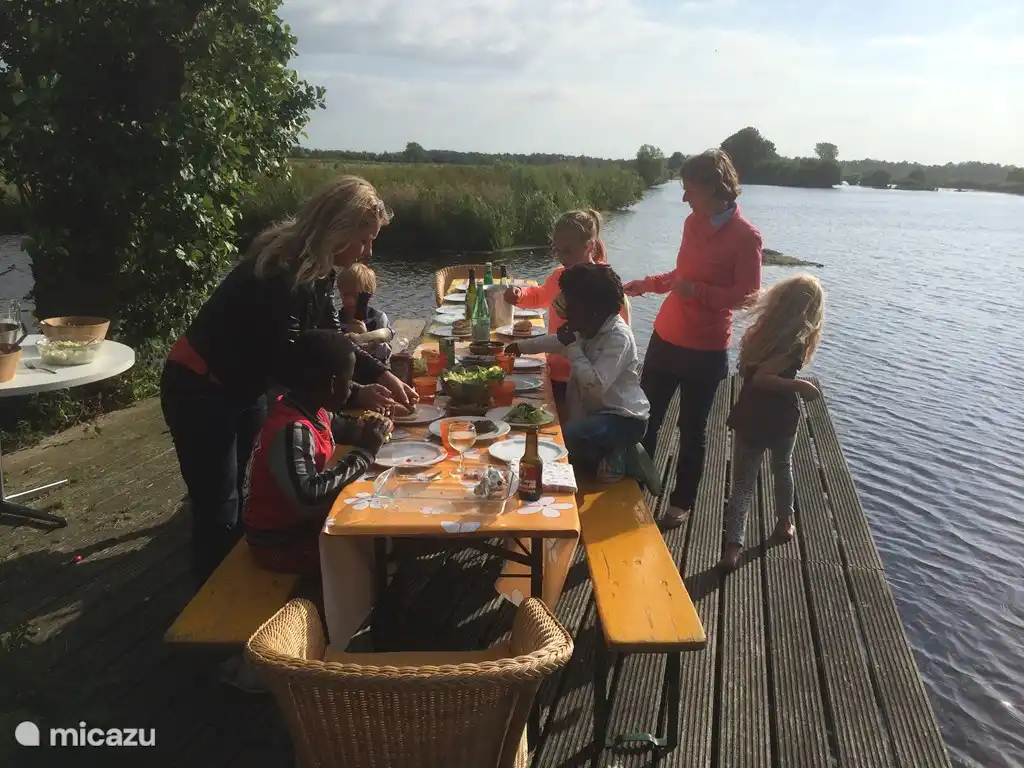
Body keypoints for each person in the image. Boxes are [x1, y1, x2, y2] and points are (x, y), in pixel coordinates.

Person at [160, 175, 417, 588]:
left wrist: (381, 372)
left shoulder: (320, 268)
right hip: (200, 386)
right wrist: (354, 391)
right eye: (366, 239)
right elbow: (291, 362)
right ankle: (212, 601)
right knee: (217, 505)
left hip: (245, 383)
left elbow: (334, 340)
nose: (368, 251)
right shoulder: (281, 273)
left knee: (249, 487)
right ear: (340, 229)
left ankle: (243, 572)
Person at [623, 149, 762, 530]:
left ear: (714, 187)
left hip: (706, 349)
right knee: (644, 417)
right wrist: (649, 285)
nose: (684, 197)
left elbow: (748, 296)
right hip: (666, 337)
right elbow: (680, 275)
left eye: (689, 189)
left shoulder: (746, 237)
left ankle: (681, 503)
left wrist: (697, 291)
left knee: (692, 431)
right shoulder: (691, 223)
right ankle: (633, 490)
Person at [242, 330, 393, 576]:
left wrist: (368, 430)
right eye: (349, 380)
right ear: (333, 384)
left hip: (297, 526)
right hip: (280, 542)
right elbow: (310, 498)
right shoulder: (292, 430)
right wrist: (365, 452)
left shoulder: (310, 408)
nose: (352, 387)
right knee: (373, 554)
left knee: (380, 522)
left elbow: (339, 426)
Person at [505, 264, 658, 487]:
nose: (565, 310)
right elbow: (556, 341)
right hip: (594, 412)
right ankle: (604, 453)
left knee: (570, 437)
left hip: (624, 418)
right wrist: (518, 347)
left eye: (571, 305)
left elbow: (594, 384)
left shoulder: (618, 338)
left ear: (593, 308)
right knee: (566, 439)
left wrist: (574, 348)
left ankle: (622, 454)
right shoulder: (587, 325)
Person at [719, 275, 825, 571]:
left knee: (742, 482)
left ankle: (733, 546)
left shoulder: (760, 333)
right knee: (782, 468)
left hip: (750, 412)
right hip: (779, 416)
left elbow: (746, 373)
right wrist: (799, 386)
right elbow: (764, 378)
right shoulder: (794, 343)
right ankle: (784, 521)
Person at [504, 209, 630, 416]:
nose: (561, 258)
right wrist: (520, 295)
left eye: (568, 251)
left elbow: (618, 344)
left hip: (587, 382)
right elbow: (541, 295)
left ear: (589, 246)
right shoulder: (559, 276)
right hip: (555, 371)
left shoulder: (605, 288)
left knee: (571, 432)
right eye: (557, 250)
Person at [337, 263, 397, 363]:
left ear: (369, 296)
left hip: (372, 370)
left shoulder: (378, 318)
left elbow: (385, 353)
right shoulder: (335, 320)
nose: (350, 301)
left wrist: (366, 337)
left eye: (356, 296)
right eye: (346, 295)